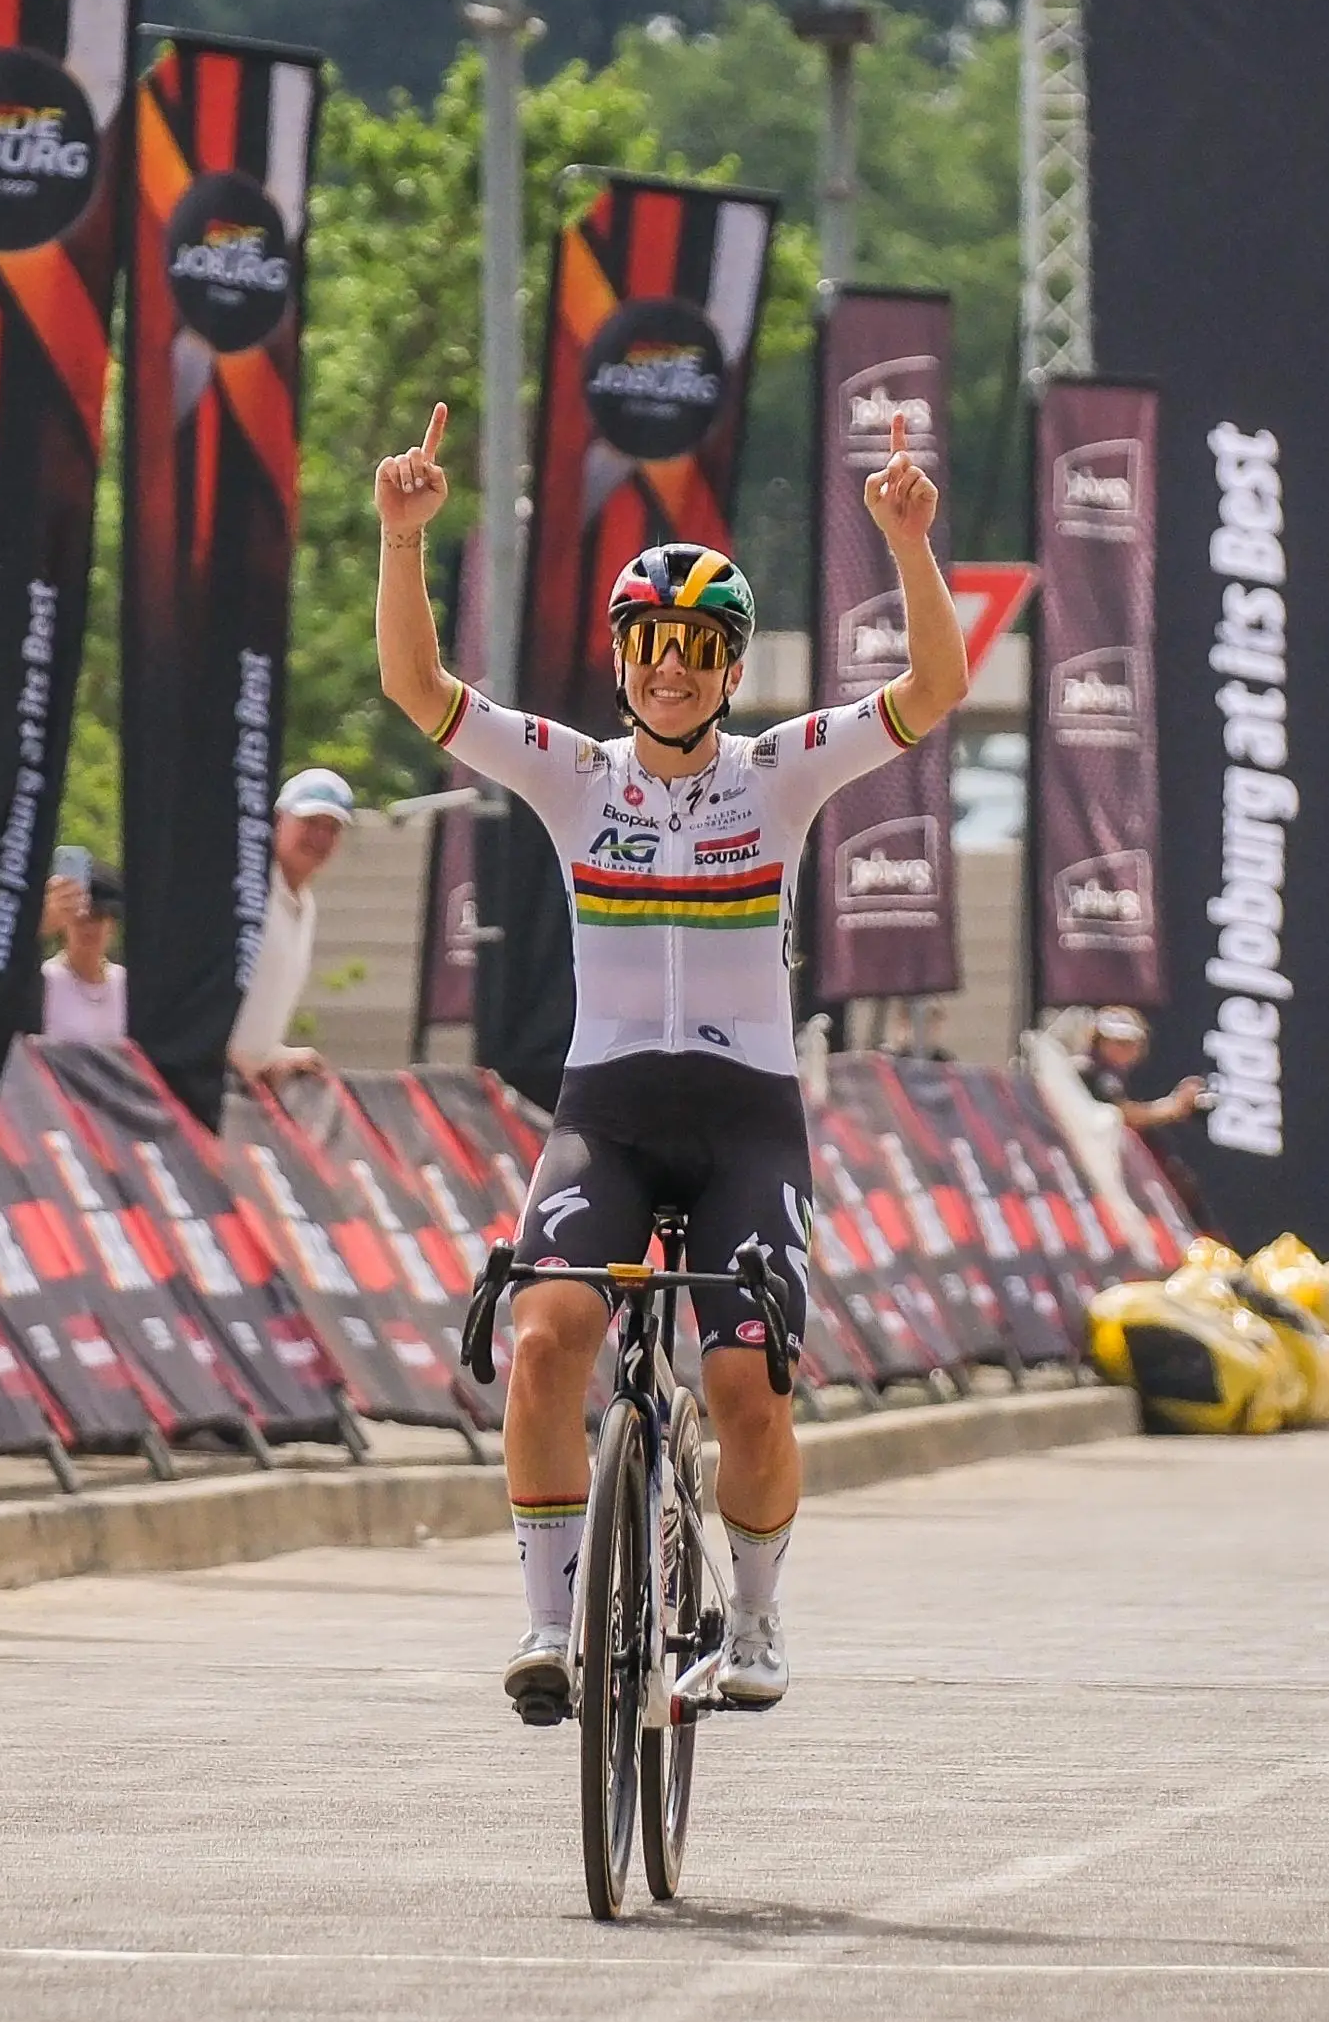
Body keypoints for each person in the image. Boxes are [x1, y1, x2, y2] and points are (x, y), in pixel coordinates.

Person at [374, 399, 964, 1726]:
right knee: (544, 1345)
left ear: (729, 666)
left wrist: (910, 551)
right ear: (626, 659)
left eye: (699, 652)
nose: (672, 672)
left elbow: (931, 694)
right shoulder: (578, 779)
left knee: (747, 1386)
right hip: (609, 1118)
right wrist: (404, 543)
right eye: (652, 649)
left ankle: (754, 1621)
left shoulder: (780, 777)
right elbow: (421, 694)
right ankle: (548, 1621)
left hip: (750, 1125)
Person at [228, 767, 355, 1088]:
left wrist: (274, 1055)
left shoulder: (305, 905)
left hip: (244, 1092)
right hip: (204, 1084)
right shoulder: (244, 893)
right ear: (278, 820)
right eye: (310, 823)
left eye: (333, 828)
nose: (320, 837)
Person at [1080, 1007, 1217, 1231]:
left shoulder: (1115, 1078)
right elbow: (1122, 1115)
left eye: (1127, 1042)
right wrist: (1174, 1107)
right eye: (1111, 1041)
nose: (1120, 1049)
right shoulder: (1091, 1072)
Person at [40, 859, 129, 1040]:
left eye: (98, 918)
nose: (89, 929)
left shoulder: (126, 984)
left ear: (111, 924)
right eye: (81, 919)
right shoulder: (45, 981)